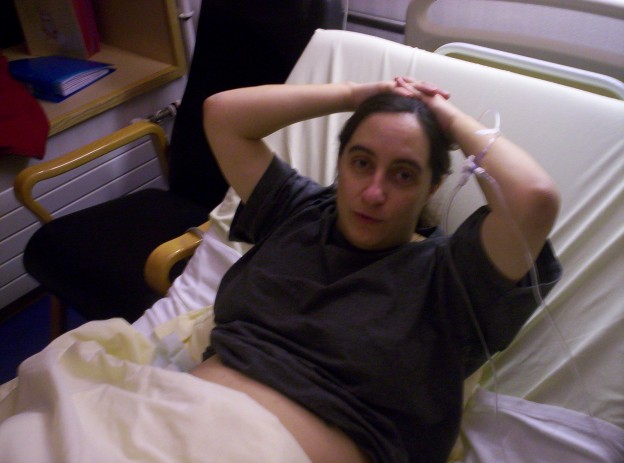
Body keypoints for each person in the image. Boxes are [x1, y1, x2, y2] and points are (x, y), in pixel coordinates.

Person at [193, 78, 562, 463]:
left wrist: (448, 118)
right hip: (172, 417)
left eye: (403, 174)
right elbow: (222, 115)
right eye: (361, 163)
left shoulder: (450, 279)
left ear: (432, 186)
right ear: (341, 163)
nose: (373, 193)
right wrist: (352, 95)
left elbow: (533, 199)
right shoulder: (298, 211)